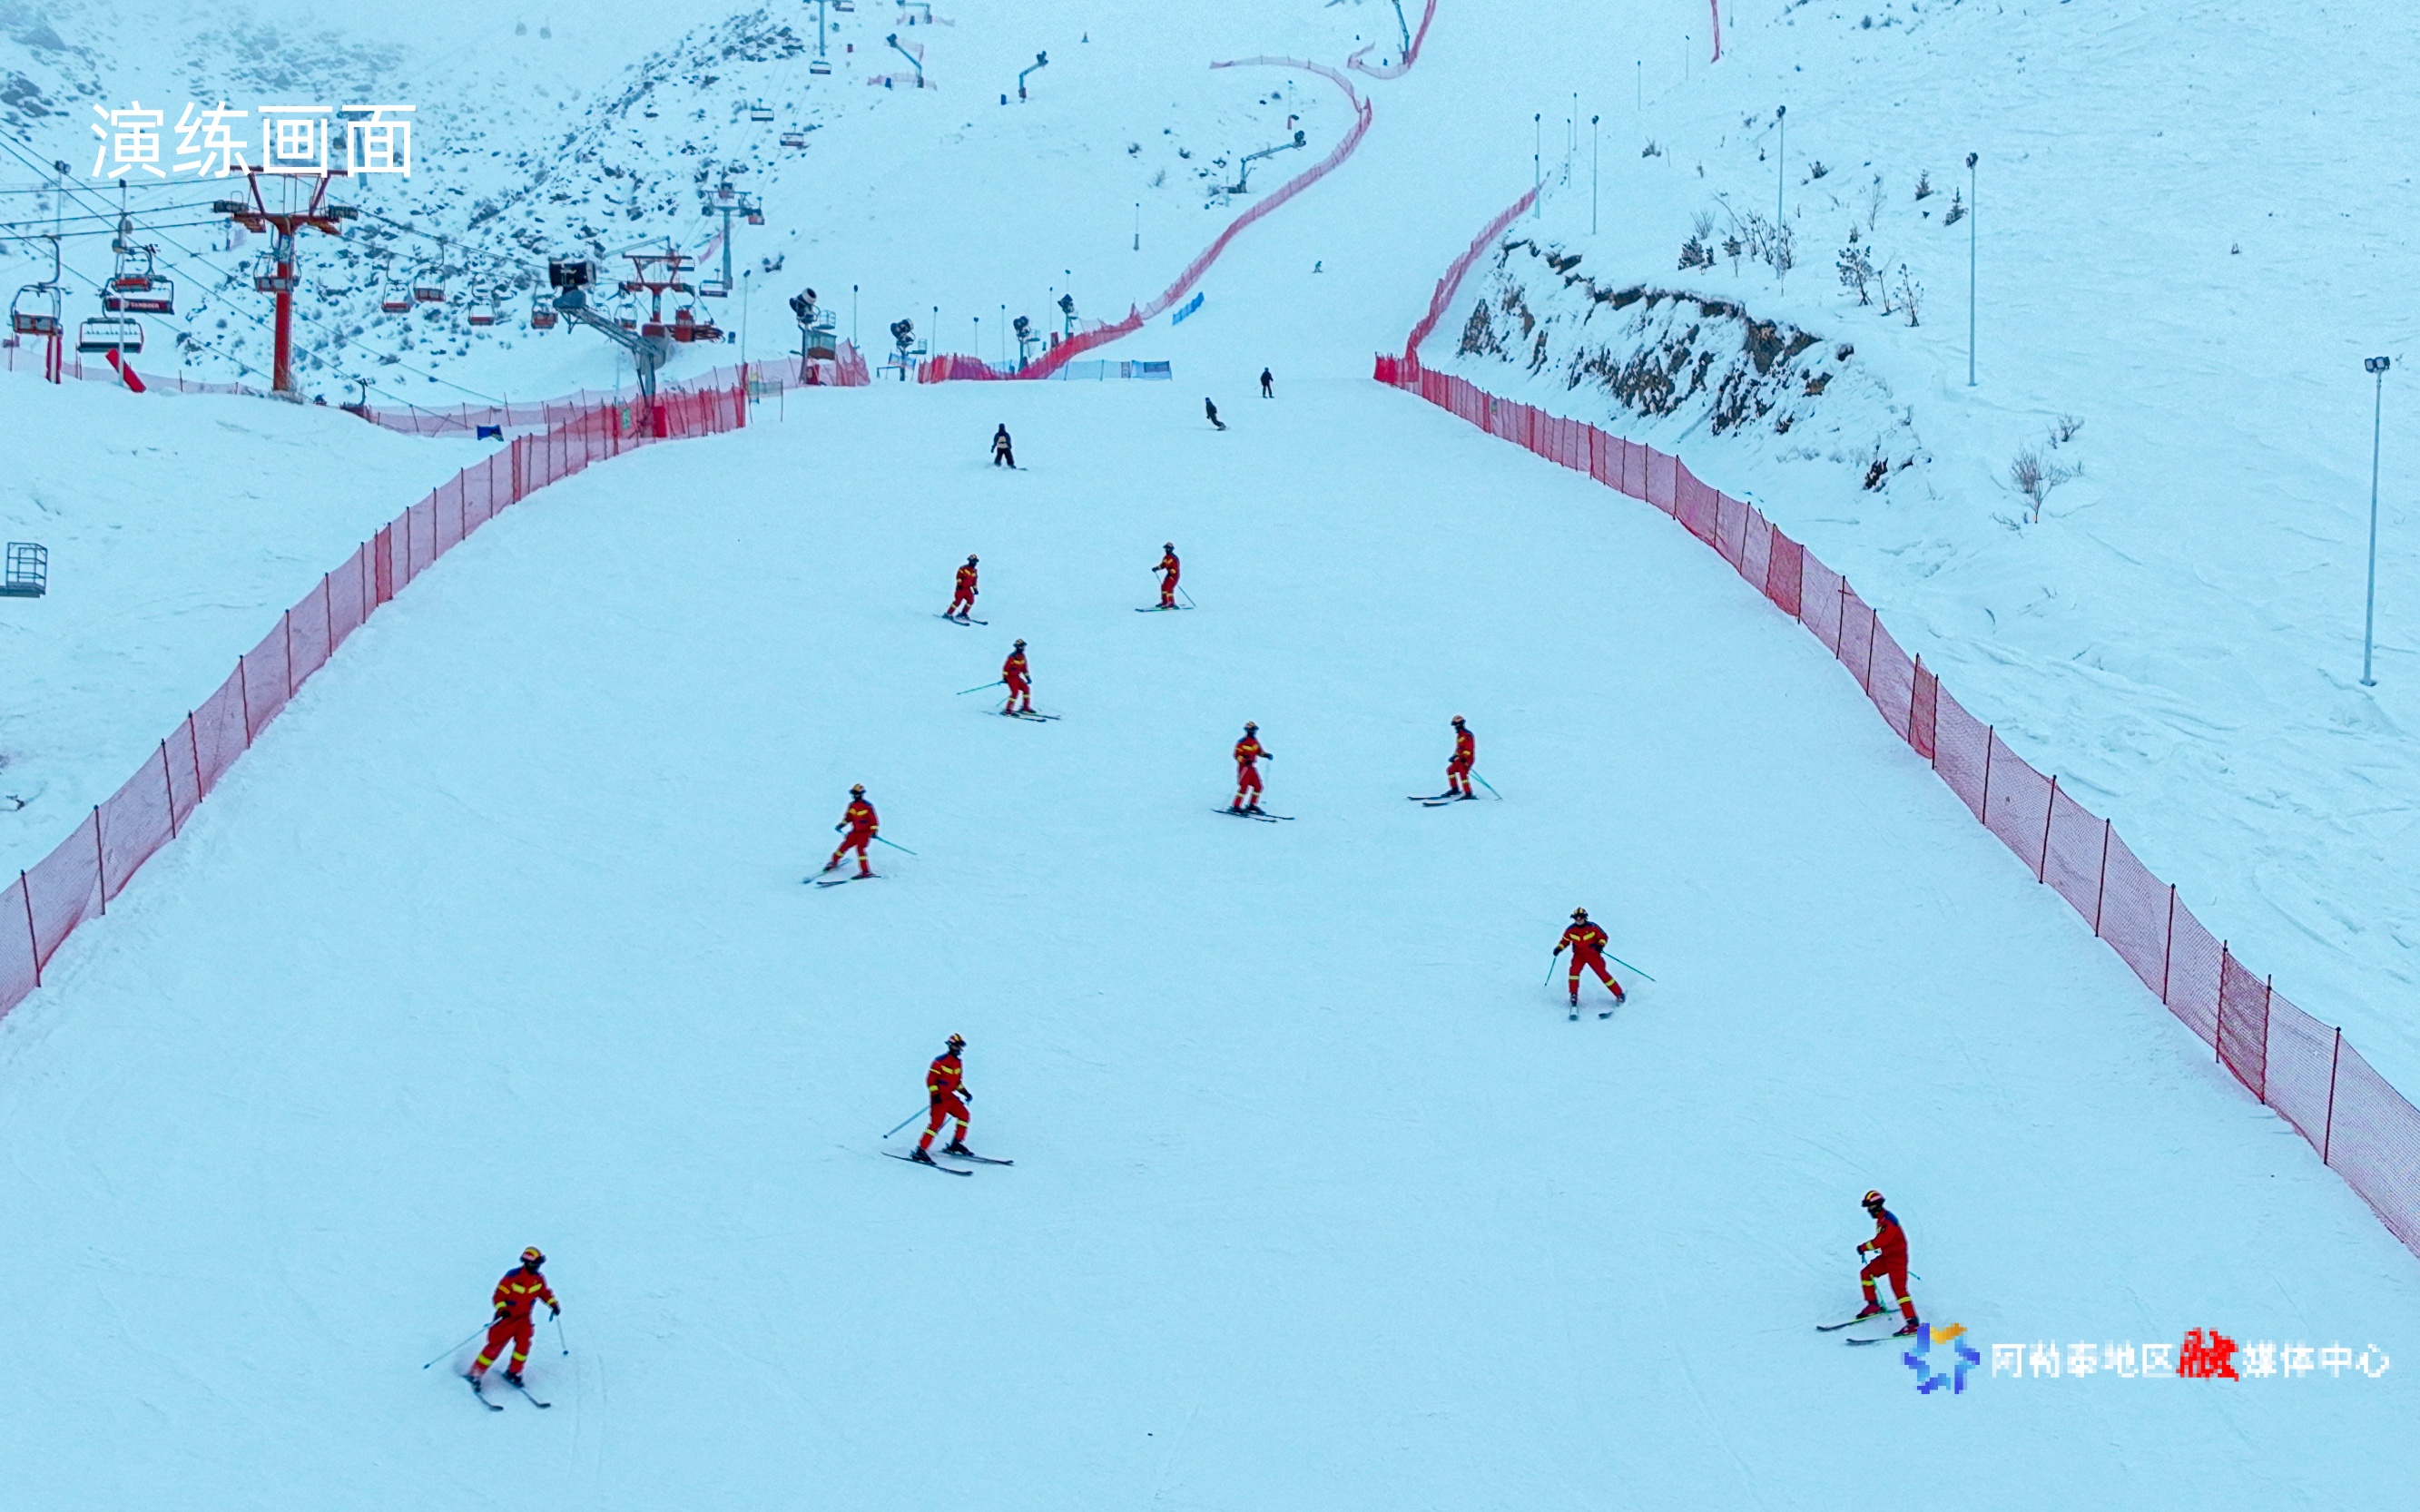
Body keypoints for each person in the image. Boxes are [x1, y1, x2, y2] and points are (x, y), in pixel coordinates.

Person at [468, 1246, 559, 1389]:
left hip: (524, 1319)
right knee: (495, 1346)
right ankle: (475, 1373)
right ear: (527, 1263)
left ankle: (514, 1372)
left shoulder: (538, 1279)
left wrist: (553, 1304)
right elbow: (498, 1295)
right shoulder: (512, 1277)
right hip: (507, 1319)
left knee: (523, 1345)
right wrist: (502, 1309)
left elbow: (544, 1293)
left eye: (539, 1264)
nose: (537, 1267)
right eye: (535, 1264)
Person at [1854, 1191, 1922, 1336]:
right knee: (1866, 1273)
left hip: (1897, 1261)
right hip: (1887, 1258)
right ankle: (1873, 1305)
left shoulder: (1888, 1221)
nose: (1868, 1210)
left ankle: (1913, 1323)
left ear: (1877, 1206)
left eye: (1870, 1207)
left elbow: (1881, 1241)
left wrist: (1864, 1247)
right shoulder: (1881, 1219)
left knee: (1900, 1291)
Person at [911, 1034, 974, 1163]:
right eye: (956, 1046)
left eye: (960, 1046)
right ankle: (920, 1150)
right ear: (950, 1046)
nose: (958, 1049)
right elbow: (930, 1080)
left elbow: (957, 1083)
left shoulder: (958, 1063)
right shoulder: (940, 1061)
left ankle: (956, 1144)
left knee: (964, 1115)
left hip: (950, 1097)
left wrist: (965, 1093)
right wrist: (935, 1095)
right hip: (939, 1098)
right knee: (936, 1124)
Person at [1552, 908, 1626, 1012]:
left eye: (1580, 918)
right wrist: (1559, 948)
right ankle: (1573, 995)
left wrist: (1600, 945)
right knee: (1573, 973)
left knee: (1602, 974)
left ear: (1585, 918)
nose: (1578, 920)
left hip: (1593, 955)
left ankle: (1619, 994)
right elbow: (1565, 941)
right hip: (1579, 955)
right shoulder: (1571, 930)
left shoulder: (1593, 927)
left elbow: (1603, 937)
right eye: (1576, 918)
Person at [824, 784, 879, 878]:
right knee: (844, 846)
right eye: (853, 794)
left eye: (857, 794)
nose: (855, 796)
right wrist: (842, 824)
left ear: (861, 794)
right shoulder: (852, 805)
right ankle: (834, 862)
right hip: (855, 832)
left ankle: (865, 871)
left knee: (860, 849)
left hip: (865, 833)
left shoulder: (868, 806)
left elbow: (874, 820)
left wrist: (873, 831)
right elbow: (848, 817)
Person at [1229, 722, 1271, 814]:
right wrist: (1244, 760)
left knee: (1258, 786)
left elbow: (1259, 751)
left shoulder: (1255, 741)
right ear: (1248, 730)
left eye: (1255, 730)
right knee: (1243, 787)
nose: (1254, 732)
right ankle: (1236, 806)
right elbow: (1236, 755)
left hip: (1251, 768)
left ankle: (1252, 804)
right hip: (1244, 768)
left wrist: (1266, 755)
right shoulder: (1242, 742)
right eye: (1252, 730)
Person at [1445, 715, 1476, 800]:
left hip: (1467, 759)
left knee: (1463, 773)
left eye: (1455, 725)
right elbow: (1459, 749)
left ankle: (1468, 793)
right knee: (1450, 770)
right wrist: (1454, 756)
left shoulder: (1468, 735)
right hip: (1460, 758)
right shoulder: (1459, 735)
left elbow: (1469, 749)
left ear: (1460, 725)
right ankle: (1454, 789)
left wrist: (1464, 758)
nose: (1455, 727)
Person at [1002, 639, 1033, 715]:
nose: (1023, 648)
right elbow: (1006, 668)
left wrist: (1028, 678)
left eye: (1024, 646)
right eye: (1022, 646)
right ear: (1017, 647)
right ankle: (1008, 710)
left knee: (1026, 689)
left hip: (1017, 677)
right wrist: (1005, 678)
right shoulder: (1012, 657)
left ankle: (1026, 708)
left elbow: (1024, 669)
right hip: (1011, 677)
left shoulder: (1022, 657)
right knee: (1015, 692)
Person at [948, 555, 979, 621]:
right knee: (957, 601)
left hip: (968, 589)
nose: (975, 563)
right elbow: (958, 577)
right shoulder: (963, 568)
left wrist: (975, 589)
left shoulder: (974, 571)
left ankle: (964, 613)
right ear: (970, 561)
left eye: (976, 562)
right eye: (973, 562)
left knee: (971, 601)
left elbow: (974, 581)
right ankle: (948, 614)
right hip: (961, 589)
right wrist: (959, 584)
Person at [1156, 543, 1181, 609]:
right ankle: (1164, 602)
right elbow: (1163, 565)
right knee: (1164, 587)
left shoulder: (1174, 558)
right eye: (1166, 548)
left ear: (1171, 549)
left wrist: (1171, 571)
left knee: (1169, 588)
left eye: (1168, 548)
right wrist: (1157, 568)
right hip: (1169, 574)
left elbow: (1176, 568)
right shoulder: (1166, 557)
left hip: (1174, 575)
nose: (1167, 550)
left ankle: (1171, 603)